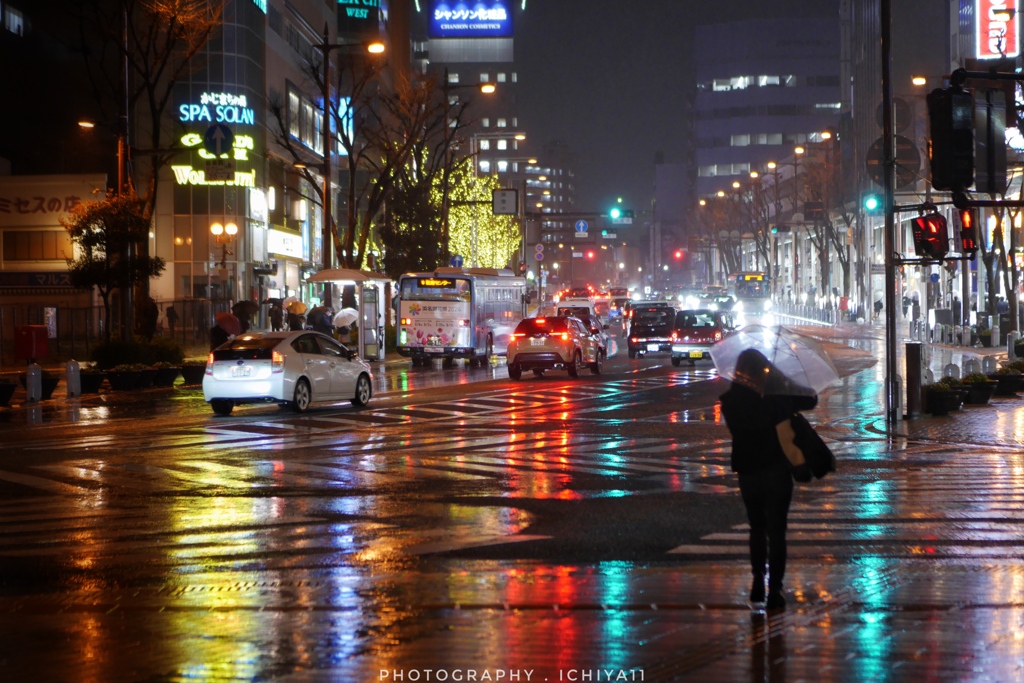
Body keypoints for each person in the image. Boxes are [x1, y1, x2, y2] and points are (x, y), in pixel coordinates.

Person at [719, 348, 817, 611]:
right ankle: (775, 590)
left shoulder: (731, 400)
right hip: (776, 469)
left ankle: (756, 582)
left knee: (757, 528)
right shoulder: (776, 397)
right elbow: (810, 399)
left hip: (748, 470)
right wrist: (779, 378)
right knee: (777, 531)